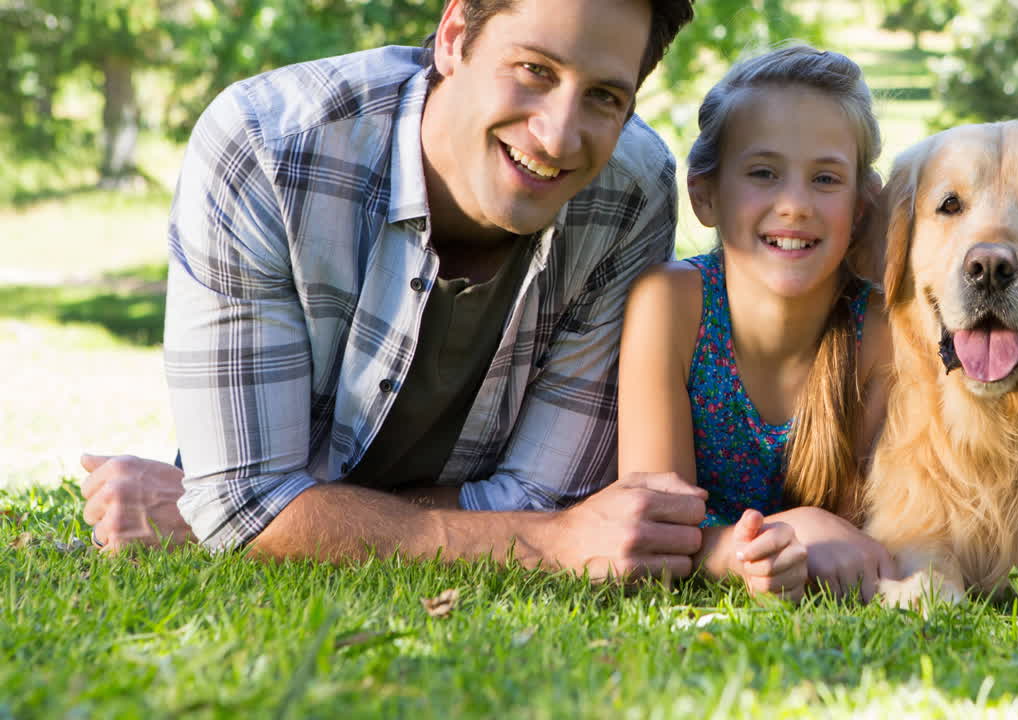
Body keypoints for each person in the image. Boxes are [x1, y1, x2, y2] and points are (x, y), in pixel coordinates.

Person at [80, 0, 710, 581]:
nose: (559, 137)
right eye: (535, 69)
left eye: (603, 96)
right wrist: (543, 543)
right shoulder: (267, 149)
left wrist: (253, 511)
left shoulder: (632, 189)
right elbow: (249, 505)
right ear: (455, 35)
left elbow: (544, 495)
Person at [617, 46, 898, 602]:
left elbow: (864, 541)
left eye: (825, 179)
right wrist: (756, 551)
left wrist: (813, 544)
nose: (794, 204)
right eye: (764, 173)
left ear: (861, 208)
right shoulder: (671, 306)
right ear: (705, 194)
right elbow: (654, 522)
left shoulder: (881, 331)